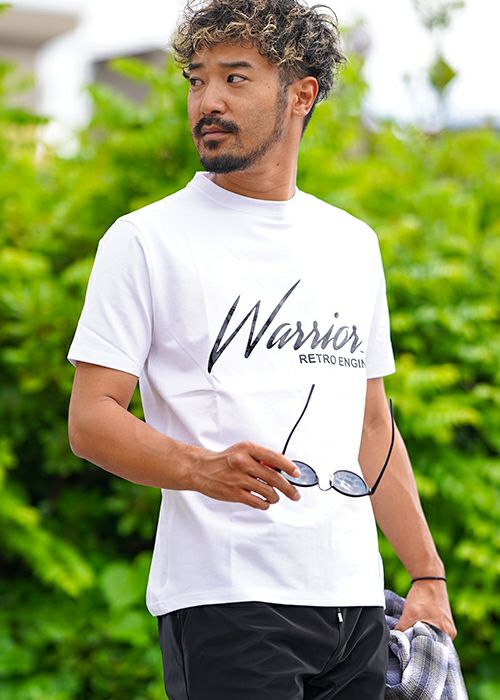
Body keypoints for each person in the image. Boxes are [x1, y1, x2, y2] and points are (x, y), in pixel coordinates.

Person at [66, 1, 457, 698]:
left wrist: (426, 573)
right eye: (196, 79)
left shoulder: (352, 244)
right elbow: (91, 419)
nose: (207, 101)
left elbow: (372, 424)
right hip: (227, 602)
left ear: (300, 94)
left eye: (235, 78)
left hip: (355, 604)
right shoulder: (146, 240)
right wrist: (199, 468)